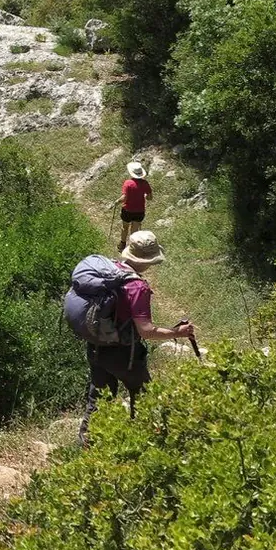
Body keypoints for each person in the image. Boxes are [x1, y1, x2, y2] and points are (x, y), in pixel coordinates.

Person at [79, 231, 193, 447]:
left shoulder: (111, 271)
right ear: (148, 260)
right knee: (143, 396)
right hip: (123, 353)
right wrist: (177, 333)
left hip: (96, 346)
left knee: (99, 398)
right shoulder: (136, 286)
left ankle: (87, 446)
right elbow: (146, 331)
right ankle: (143, 444)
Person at [118, 160, 153, 247]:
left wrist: (117, 201)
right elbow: (150, 197)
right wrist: (144, 196)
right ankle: (132, 246)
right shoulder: (145, 183)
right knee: (135, 229)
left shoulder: (128, 183)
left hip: (127, 210)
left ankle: (122, 244)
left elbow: (124, 198)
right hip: (139, 211)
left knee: (125, 227)